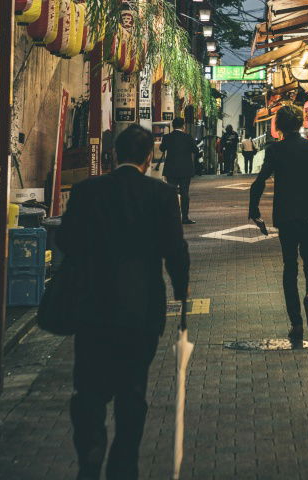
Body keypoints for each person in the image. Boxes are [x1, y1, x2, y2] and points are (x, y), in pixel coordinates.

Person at [58, 123, 189, 480]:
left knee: (88, 389)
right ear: (149, 158)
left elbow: (66, 241)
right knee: (132, 390)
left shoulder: (87, 191)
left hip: (92, 306)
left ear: (114, 155)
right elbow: (175, 250)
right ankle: (124, 462)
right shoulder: (160, 195)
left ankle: (90, 452)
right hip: (141, 309)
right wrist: (182, 290)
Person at [248, 104, 308, 342]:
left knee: (290, 267)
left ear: (279, 126)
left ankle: (296, 323)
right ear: (300, 124)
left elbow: (259, 182)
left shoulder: (275, 151)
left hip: (286, 217)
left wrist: (254, 210)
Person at [160, 116, 200, 225]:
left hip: (171, 169)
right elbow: (196, 150)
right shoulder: (187, 137)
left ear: (173, 126)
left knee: (171, 193)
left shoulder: (167, 137)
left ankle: (172, 217)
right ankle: (185, 218)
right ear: (183, 126)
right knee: (184, 193)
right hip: (185, 169)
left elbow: (161, 149)